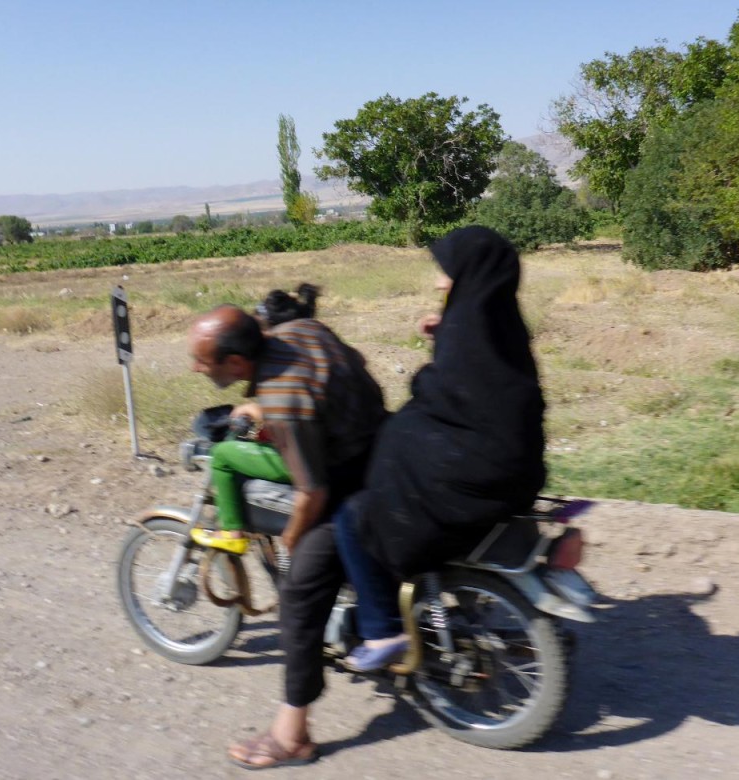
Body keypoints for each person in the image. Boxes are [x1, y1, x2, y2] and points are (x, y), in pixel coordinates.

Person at [335, 224, 547, 671]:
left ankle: (381, 628)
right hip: (520, 469)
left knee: (358, 516)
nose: (438, 281)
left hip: (480, 474)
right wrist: (444, 331)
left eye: (445, 271)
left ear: (470, 273)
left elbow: (443, 389)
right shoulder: (498, 318)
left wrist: (424, 373)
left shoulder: (468, 326)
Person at [187, 305, 387, 769]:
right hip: (383, 444)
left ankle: (292, 735)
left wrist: (295, 541)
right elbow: (352, 361)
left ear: (236, 363)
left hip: (348, 482)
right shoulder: (303, 330)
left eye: (203, 361)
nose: (196, 368)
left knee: (298, 593)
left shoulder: (283, 402)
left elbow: (312, 492)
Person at [193, 285, 323, 554]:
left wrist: (256, 412)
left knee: (222, 455)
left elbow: (291, 413)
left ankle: (232, 531)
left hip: (316, 460)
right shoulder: (310, 341)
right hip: (333, 446)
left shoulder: (279, 374)